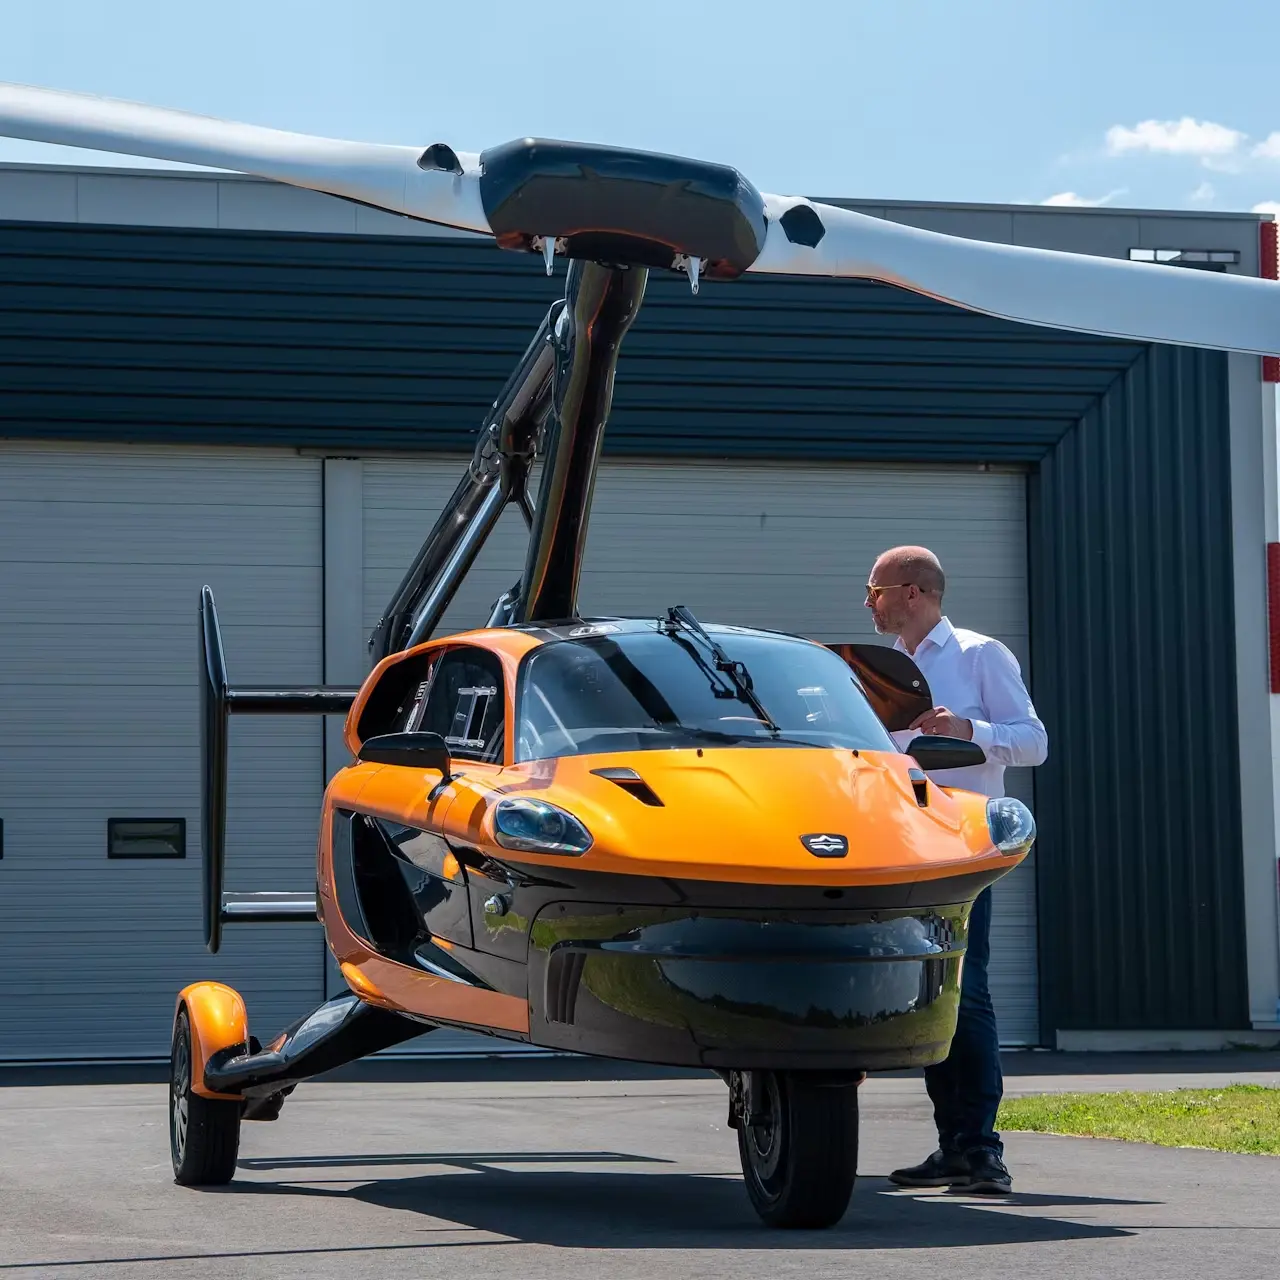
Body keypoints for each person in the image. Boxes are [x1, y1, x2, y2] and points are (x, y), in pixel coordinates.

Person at [864, 544, 1047, 1195]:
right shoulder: (884, 670)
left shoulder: (978, 654)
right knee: (929, 991)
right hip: (902, 843)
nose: (869, 603)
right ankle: (952, 1146)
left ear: (913, 591)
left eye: (876, 590)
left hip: (964, 846)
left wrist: (968, 727)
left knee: (967, 990)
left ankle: (982, 1149)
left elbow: (1034, 741)